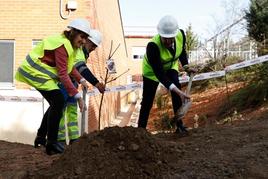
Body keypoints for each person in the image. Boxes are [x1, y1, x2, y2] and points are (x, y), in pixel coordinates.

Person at [15, 18, 91, 155]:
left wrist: (81, 79)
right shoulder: (62, 45)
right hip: (33, 71)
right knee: (59, 101)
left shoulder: (69, 45)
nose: (84, 41)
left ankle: (41, 137)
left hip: (41, 75)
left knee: (56, 103)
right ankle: (52, 143)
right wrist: (78, 95)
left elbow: (70, 68)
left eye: (86, 38)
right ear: (73, 32)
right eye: (82, 36)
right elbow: (63, 74)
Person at [138, 15, 196, 134]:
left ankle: (179, 125)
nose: (168, 42)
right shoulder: (152, 46)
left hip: (170, 66)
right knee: (147, 101)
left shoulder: (181, 35)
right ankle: (140, 131)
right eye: (165, 38)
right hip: (152, 71)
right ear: (160, 34)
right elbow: (160, 74)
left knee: (176, 88)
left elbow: (182, 52)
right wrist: (178, 92)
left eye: (171, 38)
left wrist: (186, 66)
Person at [57, 29, 105, 144]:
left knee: (72, 113)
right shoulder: (78, 51)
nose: (93, 48)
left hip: (72, 86)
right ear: (86, 40)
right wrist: (96, 83)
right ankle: (60, 141)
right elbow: (81, 68)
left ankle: (74, 140)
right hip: (63, 84)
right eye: (93, 45)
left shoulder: (83, 53)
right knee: (61, 113)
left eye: (95, 47)